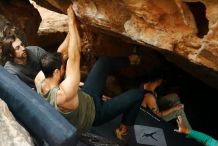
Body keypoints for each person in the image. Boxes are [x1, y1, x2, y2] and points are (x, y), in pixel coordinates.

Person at [35, 5, 146, 140]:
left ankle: (132, 60)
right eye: (63, 67)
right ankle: (125, 125)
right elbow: (74, 56)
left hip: (87, 96)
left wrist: (73, 27)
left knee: (104, 62)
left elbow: (61, 53)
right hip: (95, 114)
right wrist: (71, 21)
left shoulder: (40, 78)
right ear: (57, 72)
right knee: (138, 94)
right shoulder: (63, 94)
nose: (64, 66)